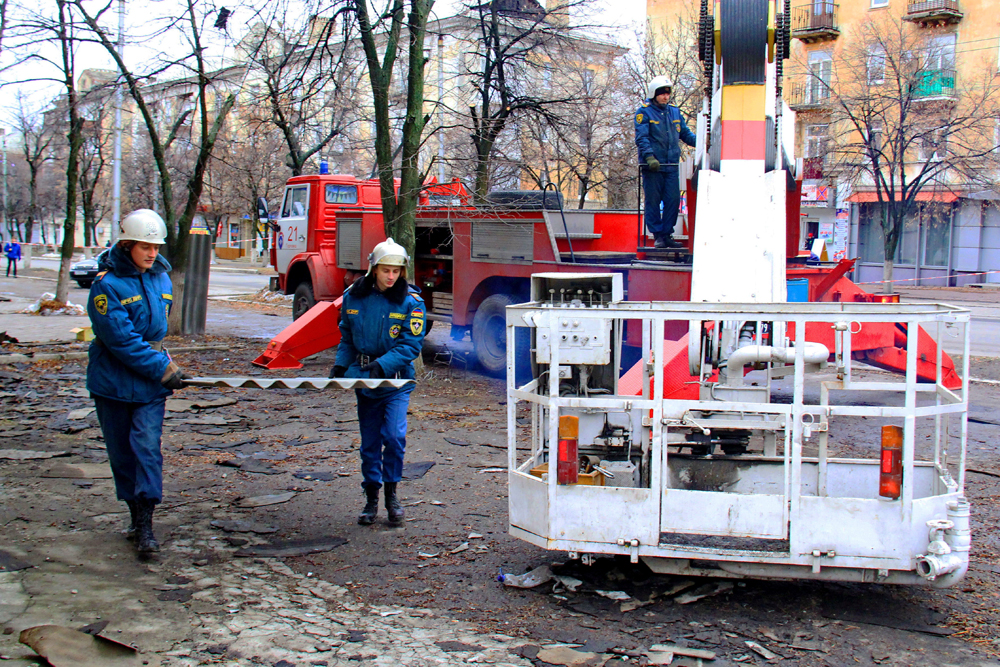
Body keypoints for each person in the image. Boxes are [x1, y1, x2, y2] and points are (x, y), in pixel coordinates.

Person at [86, 209, 188, 555]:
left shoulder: (161, 278)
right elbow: (122, 341)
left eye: (156, 247)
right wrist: (162, 368)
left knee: (147, 449)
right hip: (113, 382)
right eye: (144, 246)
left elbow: (156, 333)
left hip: (148, 388)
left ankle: (146, 524)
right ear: (127, 244)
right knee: (122, 454)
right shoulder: (106, 286)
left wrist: (166, 363)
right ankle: (133, 513)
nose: (151, 253)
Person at [330, 238, 426, 527]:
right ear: (374, 269)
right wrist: (340, 364)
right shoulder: (354, 297)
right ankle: (371, 498)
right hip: (364, 381)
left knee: (394, 438)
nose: (391, 276)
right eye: (386, 270)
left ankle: (392, 496)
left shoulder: (411, 302)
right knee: (370, 442)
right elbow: (347, 335)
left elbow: (411, 346)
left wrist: (380, 365)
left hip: (396, 382)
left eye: (396, 271)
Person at [634, 75, 697, 249]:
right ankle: (658, 235)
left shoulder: (674, 112)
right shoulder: (644, 112)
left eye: (668, 93)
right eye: (662, 93)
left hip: (670, 165)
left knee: (672, 200)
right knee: (653, 201)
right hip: (653, 166)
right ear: (654, 93)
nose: (666, 96)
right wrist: (649, 157)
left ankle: (667, 233)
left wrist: (702, 142)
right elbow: (642, 137)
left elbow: (685, 134)